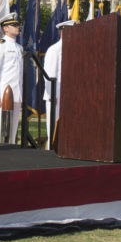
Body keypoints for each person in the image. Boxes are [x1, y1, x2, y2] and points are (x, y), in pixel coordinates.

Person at [0, 12, 24, 144]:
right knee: (0, 125)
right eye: (14, 25)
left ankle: (10, 148)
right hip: (4, 92)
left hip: (16, 92)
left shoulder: (19, 47)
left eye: (17, 25)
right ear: (5, 28)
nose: (17, 27)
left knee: (13, 127)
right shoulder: (0, 45)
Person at [43, 19, 75, 149]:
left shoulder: (75, 49)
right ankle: (52, 149)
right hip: (56, 94)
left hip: (70, 94)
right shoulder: (55, 50)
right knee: (54, 126)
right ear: (63, 32)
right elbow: (49, 75)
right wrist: (51, 95)